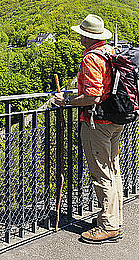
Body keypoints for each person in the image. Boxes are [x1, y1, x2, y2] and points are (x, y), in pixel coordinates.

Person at [54, 14, 123, 244]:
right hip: (115, 119)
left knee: (101, 174)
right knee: (112, 171)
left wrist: (67, 101)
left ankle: (108, 227)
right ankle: (114, 218)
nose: (80, 37)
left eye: (82, 34)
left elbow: (92, 95)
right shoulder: (111, 52)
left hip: (98, 124)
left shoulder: (91, 58)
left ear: (86, 36)